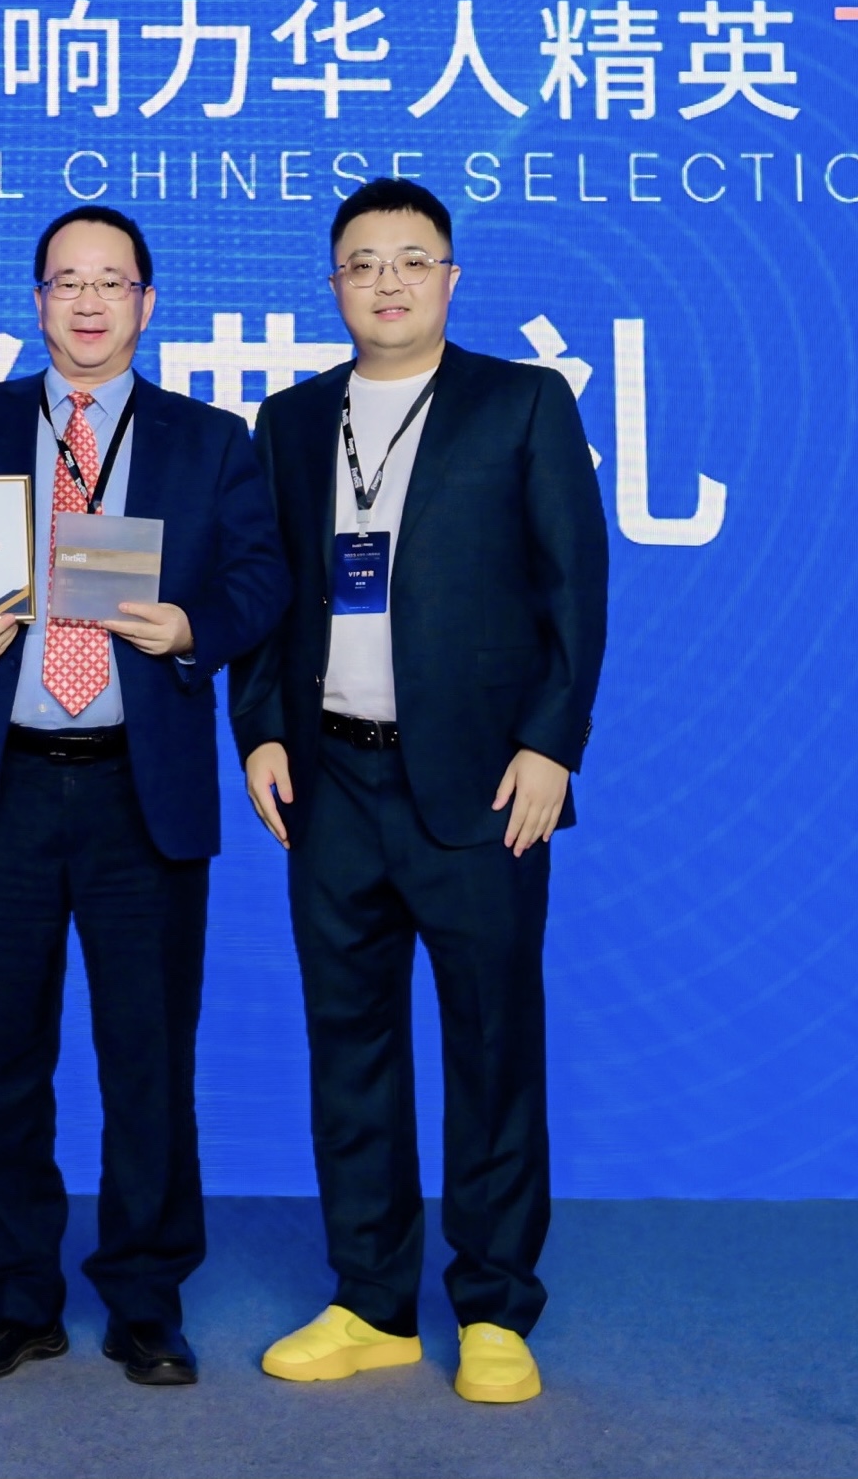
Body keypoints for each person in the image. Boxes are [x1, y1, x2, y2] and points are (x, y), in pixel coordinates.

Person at [230, 178, 611, 1406]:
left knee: (493, 1047)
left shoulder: (522, 402)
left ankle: (494, 1307)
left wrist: (550, 746)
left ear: (450, 279)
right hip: (329, 778)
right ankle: (371, 1303)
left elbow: (574, 587)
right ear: (331, 284)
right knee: (349, 1048)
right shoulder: (291, 421)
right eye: (361, 262)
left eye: (410, 259)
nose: (385, 281)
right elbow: (265, 592)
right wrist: (258, 731)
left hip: (482, 784)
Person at [0, 205, 289, 1387]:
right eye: (64, 281)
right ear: (36, 302)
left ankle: (145, 1300)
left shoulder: (207, 439)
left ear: (146, 304)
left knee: (147, 1056)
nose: (86, 301)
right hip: (2, 784)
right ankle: (18, 1297)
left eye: (110, 282)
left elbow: (263, 578)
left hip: (138, 788)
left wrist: (192, 628)